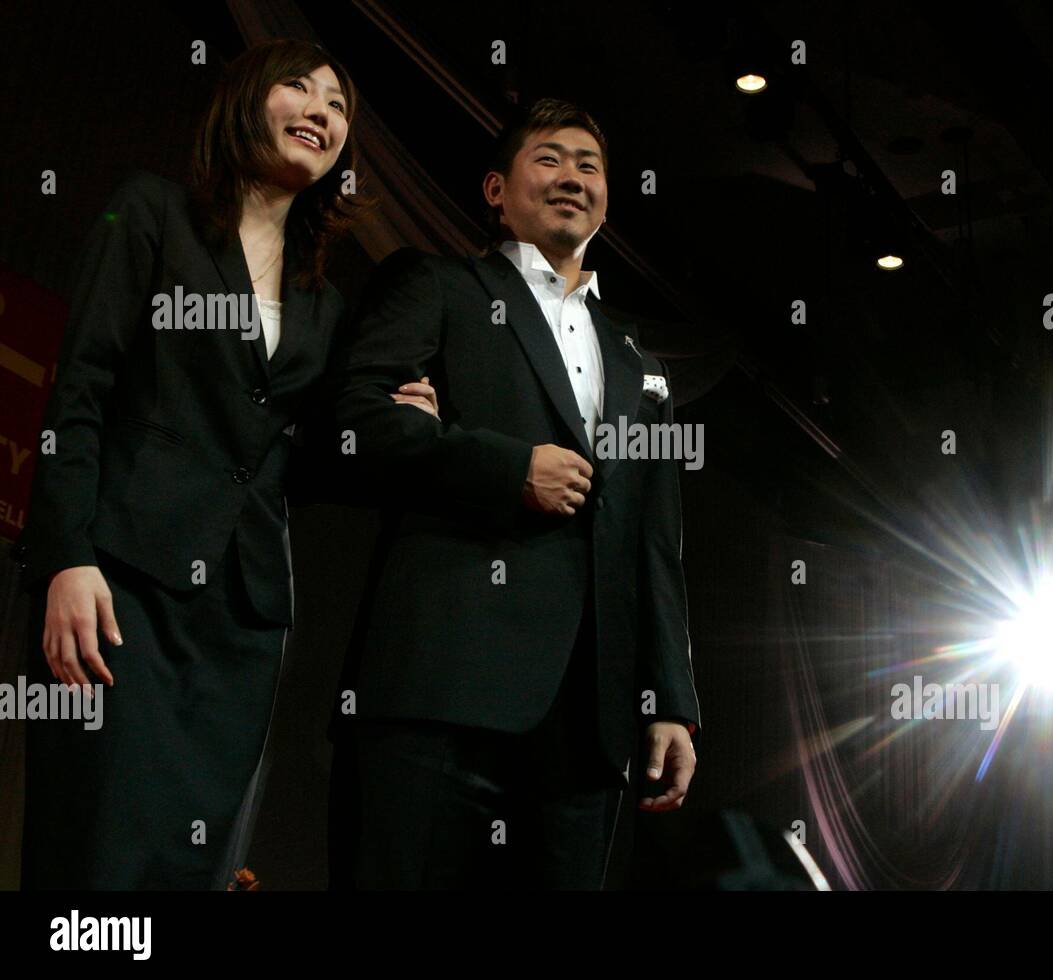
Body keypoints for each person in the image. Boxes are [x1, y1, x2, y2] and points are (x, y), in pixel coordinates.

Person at [14, 39, 436, 890]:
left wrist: (390, 427)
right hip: (121, 587)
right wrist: (64, 554)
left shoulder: (323, 302)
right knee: (97, 848)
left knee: (188, 862)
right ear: (247, 99)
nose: (321, 111)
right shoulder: (150, 215)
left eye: (338, 104)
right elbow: (80, 394)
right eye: (300, 88)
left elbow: (296, 463)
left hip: (239, 624)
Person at [328, 98, 701, 890]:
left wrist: (671, 697)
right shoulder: (436, 285)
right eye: (550, 158)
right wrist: (507, 469)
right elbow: (352, 422)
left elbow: (654, 544)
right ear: (496, 190)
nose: (572, 177)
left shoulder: (640, 363)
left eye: (589, 165)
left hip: (590, 724)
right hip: (444, 688)